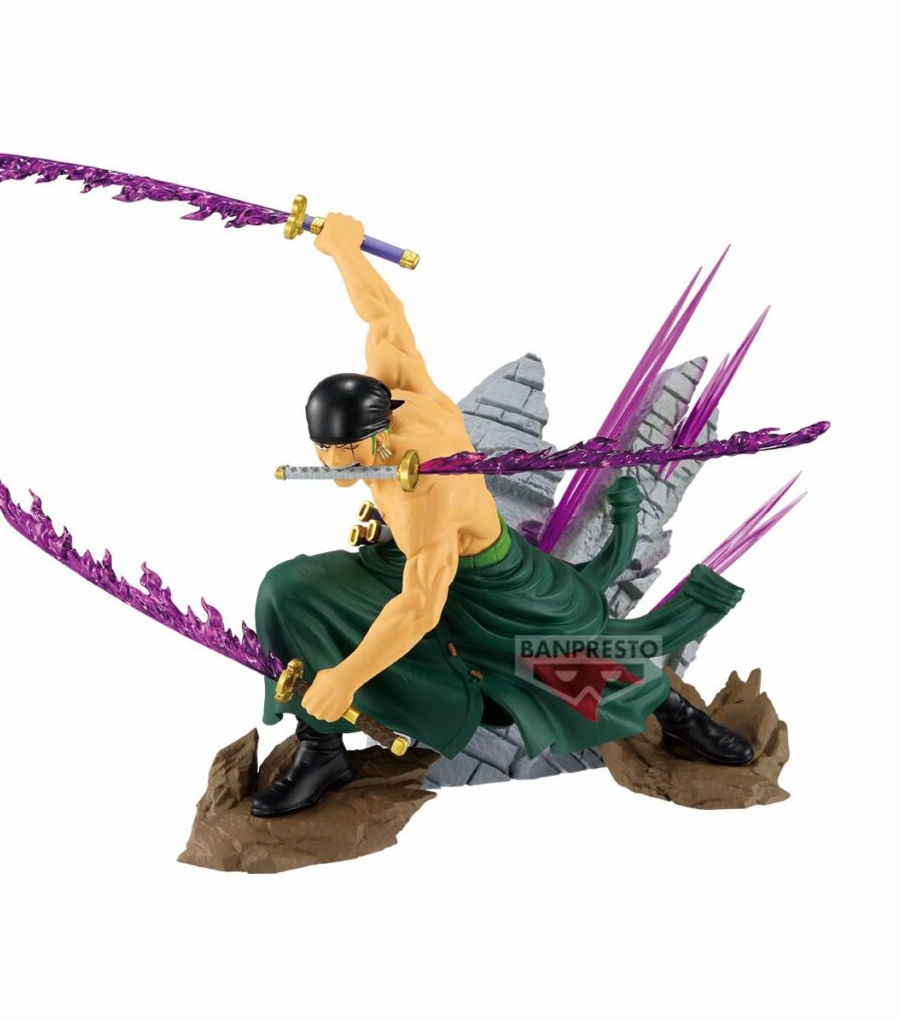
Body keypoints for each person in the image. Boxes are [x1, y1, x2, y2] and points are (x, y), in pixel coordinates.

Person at [250, 214, 752, 818]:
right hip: (406, 559)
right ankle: (320, 748)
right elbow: (385, 317)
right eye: (323, 452)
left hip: (491, 587)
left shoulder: (424, 485)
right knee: (290, 591)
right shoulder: (400, 386)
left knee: (570, 666)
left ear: (379, 433)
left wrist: (347, 677)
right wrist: (344, 250)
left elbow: (419, 608)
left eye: (347, 454)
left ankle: (675, 713)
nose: (334, 466)